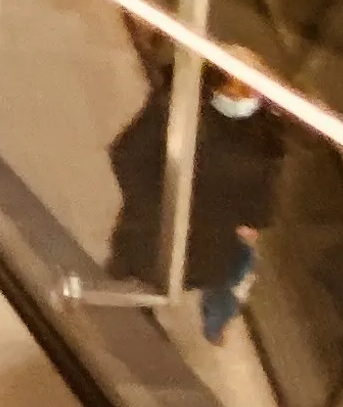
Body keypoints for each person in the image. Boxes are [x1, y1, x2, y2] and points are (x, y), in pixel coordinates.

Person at [102, 61, 288, 340]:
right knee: (148, 274)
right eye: (240, 90)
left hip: (202, 238)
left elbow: (260, 194)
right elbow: (129, 155)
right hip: (163, 227)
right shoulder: (178, 114)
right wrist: (151, 205)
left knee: (175, 274)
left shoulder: (260, 134)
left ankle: (153, 306)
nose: (246, 98)